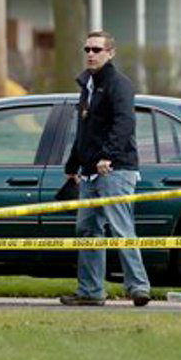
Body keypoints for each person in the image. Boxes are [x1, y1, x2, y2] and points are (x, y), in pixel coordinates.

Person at [60, 30, 151, 307]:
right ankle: (91, 292)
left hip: (115, 170)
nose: (90, 54)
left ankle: (138, 287)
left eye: (97, 50)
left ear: (110, 54)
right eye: (87, 49)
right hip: (88, 172)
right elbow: (85, 131)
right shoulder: (87, 85)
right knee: (88, 231)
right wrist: (72, 165)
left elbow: (124, 123)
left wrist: (108, 157)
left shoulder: (118, 84)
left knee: (121, 229)